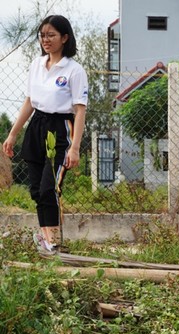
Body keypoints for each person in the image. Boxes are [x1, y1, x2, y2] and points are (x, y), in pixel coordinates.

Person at [2, 15, 88, 252]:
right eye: (42, 35)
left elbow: (80, 110)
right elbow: (30, 102)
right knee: (36, 189)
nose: (46, 40)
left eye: (51, 35)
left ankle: (54, 240)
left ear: (65, 38)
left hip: (61, 129)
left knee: (50, 187)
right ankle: (45, 240)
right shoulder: (36, 65)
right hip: (36, 126)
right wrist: (13, 134)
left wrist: (75, 147)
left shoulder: (74, 70)